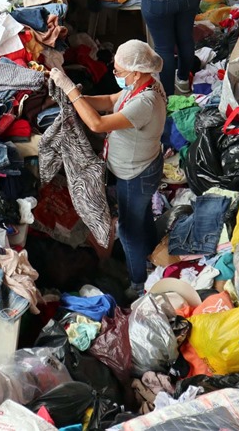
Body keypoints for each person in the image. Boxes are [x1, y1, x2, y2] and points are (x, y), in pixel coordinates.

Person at [50, 40, 167, 298]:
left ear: (136, 72)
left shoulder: (145, 102)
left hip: (136, 175)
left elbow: (98, 124)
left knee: (127, 229)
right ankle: (150, 255)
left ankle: (138, 284)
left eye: (119, 71)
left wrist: (71, 91)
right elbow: (111, 100)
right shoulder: (142, 86)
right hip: (142, 168)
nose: (115, 75)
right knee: (141, 215)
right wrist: (77, 100)